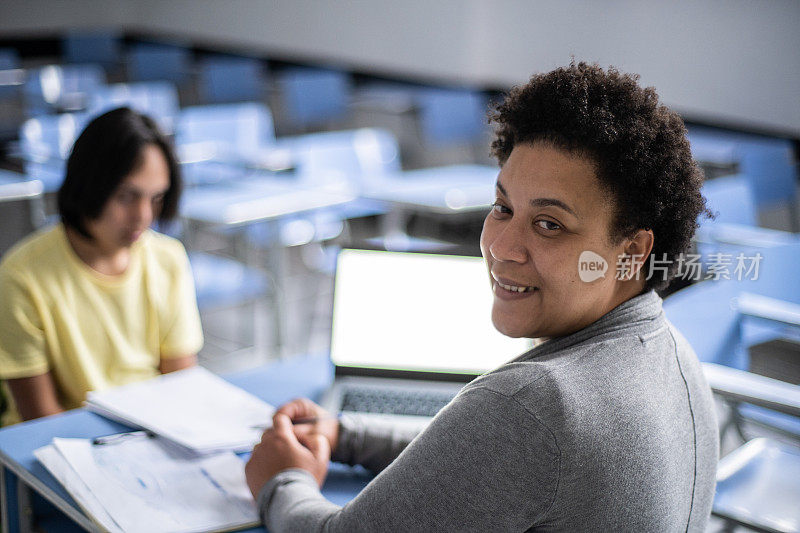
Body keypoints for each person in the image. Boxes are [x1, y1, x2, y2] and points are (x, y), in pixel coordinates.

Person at [245, 62, 719, 531]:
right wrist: (346, 435)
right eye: (502, 207)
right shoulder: (674, 355)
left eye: (549, 225)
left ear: (632, 251)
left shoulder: (534, 405)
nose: (501, 247)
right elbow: (485, 467)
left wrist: (282, 481)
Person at [0, 107, 203, 425]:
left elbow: (179, 387)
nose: (143, 217)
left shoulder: (168, 259)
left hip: (149, 430)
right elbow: (40, 418)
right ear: (89, 183)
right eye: (126, 196)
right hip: (62, 443)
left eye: (156, 198)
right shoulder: (21, 278)